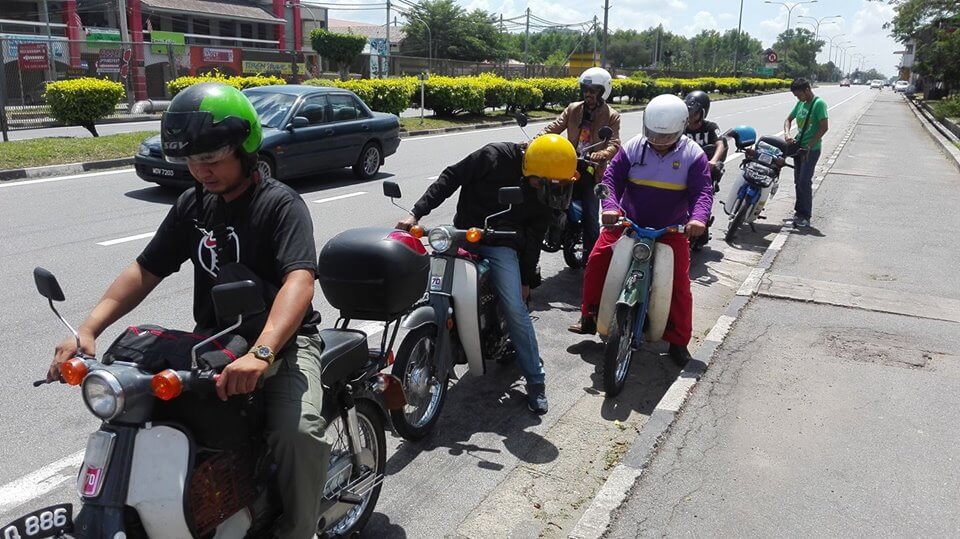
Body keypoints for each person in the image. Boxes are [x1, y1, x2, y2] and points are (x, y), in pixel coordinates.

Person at [46, 83, 327, 539]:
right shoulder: (193, 205)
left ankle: (299, 529)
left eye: (212, 160)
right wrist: (88, 329)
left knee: (296, 433)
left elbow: (300, 281)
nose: (202, 172)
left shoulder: (280, 205)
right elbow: (145, 269)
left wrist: (262, 352)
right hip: (213, 343)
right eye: (193, 162)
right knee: (153, 418)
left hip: (284, 343)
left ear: (245, 148)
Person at [397, 134, 578, 414]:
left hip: (502, 245)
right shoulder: (494, 156)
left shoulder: (544, 193)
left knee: (516, 309)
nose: (546, 191)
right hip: (463, 236)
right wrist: (416, 214)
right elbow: (451, 177)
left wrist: (526, 282)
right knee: (427, 282)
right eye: (541, 183)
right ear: (529, 168)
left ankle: (535, 380)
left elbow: (533, 240)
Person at [568, 94, 713, 365]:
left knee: (680, 283)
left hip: (671, 229)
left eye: (666, 136)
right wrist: (610, 207)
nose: (658, 142)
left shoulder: (694, 156)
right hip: (628, 223)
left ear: (681, 128)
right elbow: (611, 178)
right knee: (597, 259)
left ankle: (679, 341)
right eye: (654, 135)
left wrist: (698, 219)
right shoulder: (634, 147)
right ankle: (588, 315)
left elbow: (702, 192)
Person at [540, 67, 622, 258]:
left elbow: (614, 143)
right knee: (544, 195)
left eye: (593, 90)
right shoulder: (573, 109)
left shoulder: (611, 115)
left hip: (591, 170)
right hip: (568, 164)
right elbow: (554, 127)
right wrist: (535, 141)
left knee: (591, 217)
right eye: (585, 90)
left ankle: (591, 256)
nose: (588, 94)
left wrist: (601, 154)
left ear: (602, 92)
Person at [683, 90, 726, 250]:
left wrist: (713, 161)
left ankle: (703, 225)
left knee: (703, 196)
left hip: (704, 171)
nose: (690, 116)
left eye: (693, 113)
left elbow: (720, 144)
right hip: (682, 169)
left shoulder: (710, 128)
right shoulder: (680, 127)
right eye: (687, 112)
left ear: (701, 113)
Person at [783, 77, 828, 228]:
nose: (797, 98)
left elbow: (823, 127)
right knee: (798, 181)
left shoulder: (818, 104)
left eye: (798, 94)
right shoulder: (800, 104)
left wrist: (809, 145)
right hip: (799, 148)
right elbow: (788, 120)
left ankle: (805, 215)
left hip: (811, 150)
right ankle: (798, 212)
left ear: (807, 90)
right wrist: (787, 134)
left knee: (804, 181)